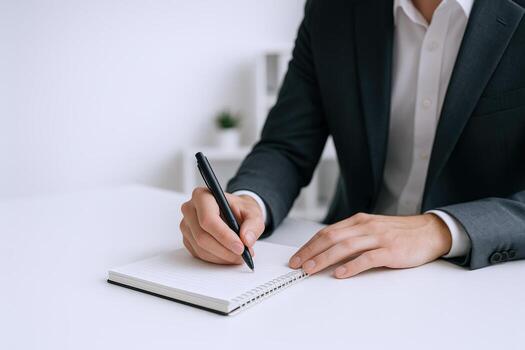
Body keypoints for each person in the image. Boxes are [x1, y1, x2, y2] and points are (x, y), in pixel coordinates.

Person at [180, 0, 525, 278]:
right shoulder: (332, 11)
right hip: (344, 270)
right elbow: (286, 145)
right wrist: (248, 202)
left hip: (479, 278)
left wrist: (440, 229)